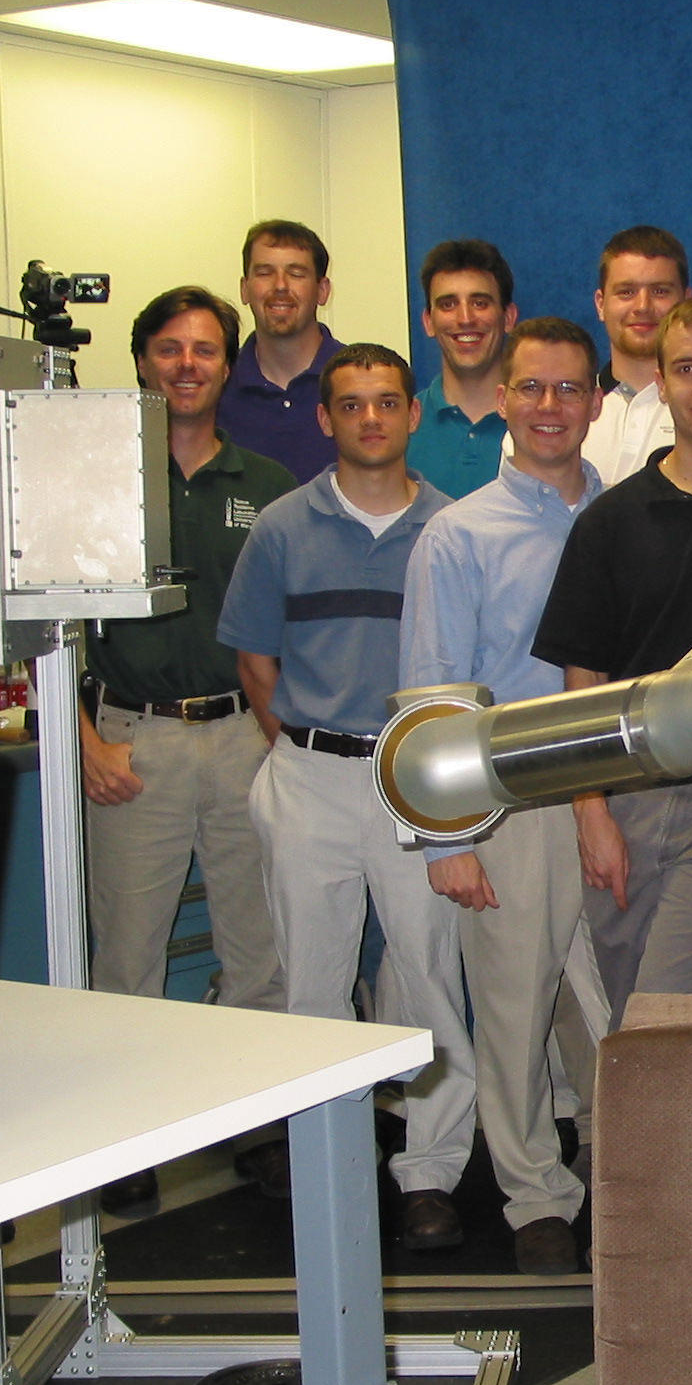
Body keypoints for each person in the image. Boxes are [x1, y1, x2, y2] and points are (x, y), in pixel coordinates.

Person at [218, 343, 474, 1248]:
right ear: (326, 418)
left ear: (413, 413)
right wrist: (301, 751)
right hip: (311, 774)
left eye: (387, 402)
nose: (372, 418)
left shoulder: (452, 529)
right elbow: (256, 661)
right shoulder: (281, 528)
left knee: (429, 973)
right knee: (314, 986)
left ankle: (430, 1171)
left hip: (415, 778)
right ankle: (330, 1164)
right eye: (353, 404)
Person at [401, 316, 609, 1276]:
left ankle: (621, 1167)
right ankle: (535, 1196)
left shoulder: (625, 518)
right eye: (531, 388)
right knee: (516, 1008)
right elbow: (431, 687)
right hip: (513, 800)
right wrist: (447, 840)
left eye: (569, 388)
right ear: (502, 401)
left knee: (616, 1009)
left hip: (619, 790)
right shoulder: (459, 534)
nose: (550, 406)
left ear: (597, 401)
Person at [535, 293, 692, 1030]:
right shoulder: (610, 522)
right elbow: (583, 680)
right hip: (632, 797)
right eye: (686, 368)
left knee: (668, 1013)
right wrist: (591, 812)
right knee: (634, 1012)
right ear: (661, 383)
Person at [80, 287, 292, 1067]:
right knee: (127, 962)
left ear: (228, 366)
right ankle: (126, 1128)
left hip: (244, 740)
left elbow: (293, 631)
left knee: (261, 957)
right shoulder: (96, 482)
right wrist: (84, 744)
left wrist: (278, 738)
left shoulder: (267, 487)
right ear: (142, 362)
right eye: (169, 349)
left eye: (205, 350)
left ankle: (257, 1118)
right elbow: (46, 631)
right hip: (132, 748)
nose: (186, 365)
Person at [219, 219, 343, 484]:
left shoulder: (359, 383)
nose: (280, 286)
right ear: (244, 289)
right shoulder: (216, 388)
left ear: (322, 291)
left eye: (296, 274)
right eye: (265, 273)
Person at [409, 238, 519, 499]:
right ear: (428, 322)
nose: (465, 319)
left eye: (480, 303)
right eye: (448, 304)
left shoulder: (542, 422)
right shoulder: (402, 427)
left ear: (508, 318)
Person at [579, 226, 688, 485]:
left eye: (660, 291)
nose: (642, 306)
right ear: (600, 304)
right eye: (626, 292)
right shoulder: (561, 412)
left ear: (686, 303)